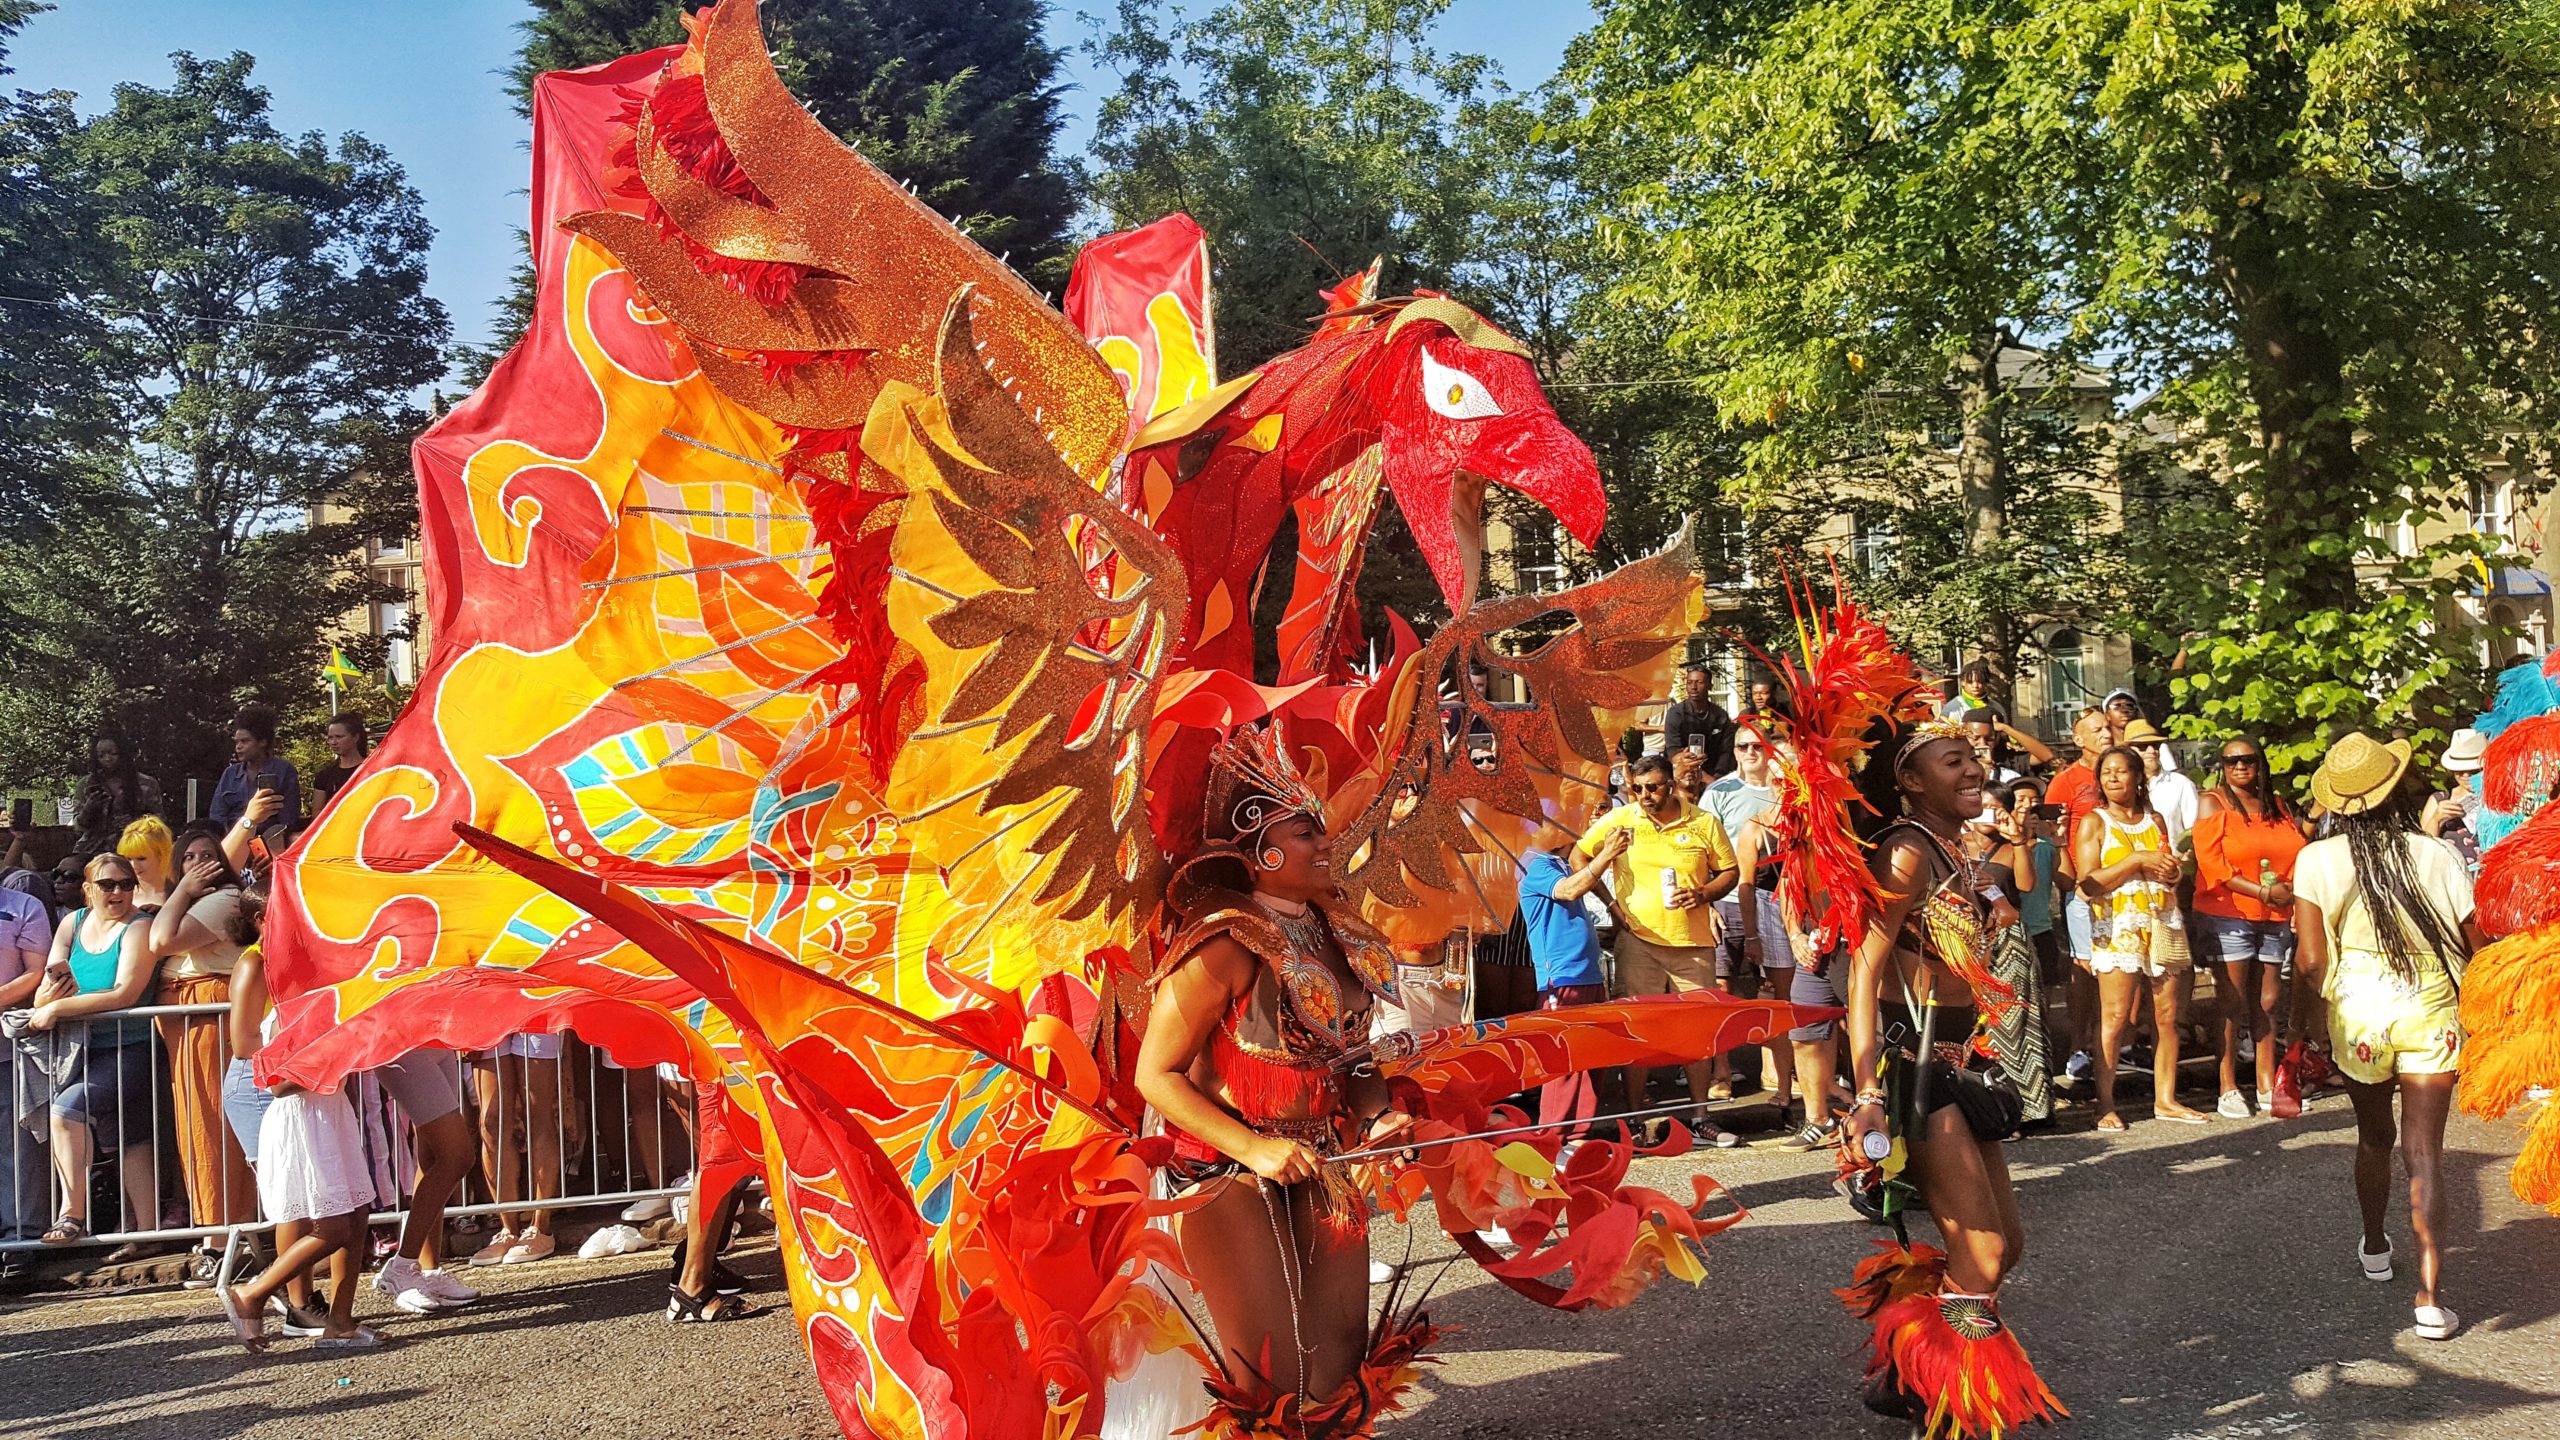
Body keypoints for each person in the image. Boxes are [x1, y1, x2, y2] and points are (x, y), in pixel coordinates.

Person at [1134, 729, 1411, 1434]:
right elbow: (1155, 1075)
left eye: (1323, 828)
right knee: (1270, 1380)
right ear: (1261, 850)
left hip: (1323, 1155)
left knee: (1342, 1368)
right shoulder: (1223, 941)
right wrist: (1253, 1150)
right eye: (1307, 830)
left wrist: (1378, 1114)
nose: (1327, 842)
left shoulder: (1334, 930)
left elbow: (1353, 1055)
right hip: (1229, 1172)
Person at [1840, 718, 2062, 1434]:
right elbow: (1864, 972)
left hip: (1962, 1064)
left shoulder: (1952, 848)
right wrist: (1869, 1094)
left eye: (1976, 758)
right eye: (1953, 760)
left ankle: (1909, 1365)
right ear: (1909, 780)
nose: (1975, 769)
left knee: (2006, 1248)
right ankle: (1954, 1410)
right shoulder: (1904, 854)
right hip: (1914, 1070)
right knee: (1986, 1254)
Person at [2291, 733, 2479, 1342]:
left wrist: (2312, 1020)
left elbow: (2312, 960)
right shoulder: (2436, 855)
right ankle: (2430, 1300)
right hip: (2430, 1007)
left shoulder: (2317, 859)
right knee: (2424, 1151)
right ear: (2397, 789)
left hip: (2359, 1012)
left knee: (2374, 1138)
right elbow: (2477, 946)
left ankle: (2374, 1242)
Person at [217, 888, 385, 1351]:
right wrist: (325, 1057)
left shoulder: (310, 967)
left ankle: (341, 1321)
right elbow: (252, 1053)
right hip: (295, 1108)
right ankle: (256, 1294)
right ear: (260, 920)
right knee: (324, 1223)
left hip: (328, 1104)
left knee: (356, 1216)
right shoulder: (254, 966)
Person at [1580, 753, 1742, 1146]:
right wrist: (1614, 906)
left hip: (1693, 944)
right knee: (1637, 1029)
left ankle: (1701, 1117)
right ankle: (1636, 1119)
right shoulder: (1622, 818)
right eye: (1636, 788)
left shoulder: (1703, 821)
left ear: (1670, 784)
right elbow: (1579, 856)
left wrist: (1703, 894)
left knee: (1699, 1033)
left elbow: (1731, 871)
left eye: (1652, 787)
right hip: (1638, 942)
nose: (1644, 795)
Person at [146, 833, 262, 1285]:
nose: (198, 864)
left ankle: (226, 1239)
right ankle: (219, 1234)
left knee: (213, 1125)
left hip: (210, 1019)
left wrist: (182, 890)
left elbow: (162, 940)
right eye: (188, 857)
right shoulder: (197, 899)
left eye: (208, 856)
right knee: (196, 1127)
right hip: (186, 1021)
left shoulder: (225, 899)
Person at [27, 855, 160, 1250]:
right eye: (107, 884)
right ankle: (149, 1232)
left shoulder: (140, 927)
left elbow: (126, 993)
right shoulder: (73, 922)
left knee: (67, 1110)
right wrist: (48, 1000)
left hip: (131, 1045)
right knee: (131, 1137)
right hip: (82, 1047)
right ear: (88, 889)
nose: (117, 892)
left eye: (126, 883)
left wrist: (57, 1008)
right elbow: (45, 987)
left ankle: (72, 1214)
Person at [2078, 746, 2205, 1129]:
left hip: (2161, 922)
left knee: (2167, 1016)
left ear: (2138, 777)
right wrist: (2135, 860)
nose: (2113, 778)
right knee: (2115, 1018)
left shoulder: (2157, 819)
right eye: (2106, 773)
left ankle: (2166, 1099)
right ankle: (2104, 1103)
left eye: (2121, 772)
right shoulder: (2095, 822)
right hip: (2119, 928)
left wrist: (2171, 871)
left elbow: (2168, 870)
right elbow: (2088, 882)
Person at [2192, 736, 2308, 1119]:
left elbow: (2299, 848)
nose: (2240, 767)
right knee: (2231, 999)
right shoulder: (2214, 802)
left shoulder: (2277, 805)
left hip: (2275, 912)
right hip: (2230, 911)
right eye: (2231, 761)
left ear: (2260, 763)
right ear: (2221, 766)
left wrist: (2286, 892)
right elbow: (2212, 864)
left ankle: (2264, 1080)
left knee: (2269, 1000)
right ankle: (2226, 1085)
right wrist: (2261, 890)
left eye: (2248, 760)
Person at [1708, 719, 1797, 1115]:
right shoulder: (1720, 791)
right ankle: (1722, 1073)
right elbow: (1701, 847)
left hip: (1781, 901)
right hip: (1729, 898)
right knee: (1724, 988)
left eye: (1756, 746)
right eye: (1742, 746)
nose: (1748, 753)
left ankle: (1775, 1074)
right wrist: (1708, 901)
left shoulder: (1795, 796)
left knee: (1777, 993)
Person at [1518, 816, 1619, 1145]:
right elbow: (1570, 890)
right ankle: (1551, 1140)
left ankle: (1577, 1137)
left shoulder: (1558, 861)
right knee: (1564, 1062)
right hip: (1560, 979)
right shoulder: (1533, 862)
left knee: (1592, 1057)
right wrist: (1606, 855)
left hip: (1585, 972)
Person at [2044, 709, 2112, 1081]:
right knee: (2084, 969)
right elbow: (2053, 830)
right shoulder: (2066, 782)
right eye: (2097, 730)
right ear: (2078, 739)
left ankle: (2120, 1043)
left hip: (2124, 889)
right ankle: (2078, 1048)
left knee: (2121, 969)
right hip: (2083, 890)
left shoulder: (2123, 772)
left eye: (2108, 728)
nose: (2106, 734)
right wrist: (2066, 881)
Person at [469, 1033, 566, 1264]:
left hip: (535, 1004)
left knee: (538, 1112)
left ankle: (540, 1228)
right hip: (486, 1008)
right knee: (491, 1121)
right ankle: (508, 1229)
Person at [0, 860, 50, 1245]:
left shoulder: (23, 907)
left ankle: (21, 1234)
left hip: (6, 1046)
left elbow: (35, 973)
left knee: (13, 1143)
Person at [209, 704, 302, 832]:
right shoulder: (230, 774)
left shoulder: (284, 770)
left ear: (262, 742)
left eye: (245, 741)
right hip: (232, 837)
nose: (238, 747)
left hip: (270, 839)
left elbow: (289, 817)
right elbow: (217, 815)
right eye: (236, 742)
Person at [70, 735, 161, 858]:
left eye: (112, 754)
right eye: (101, 755)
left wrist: (136, 824)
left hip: (134, 849)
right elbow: (77, 828)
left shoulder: (146, 784)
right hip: (92, 851)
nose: (107, 759)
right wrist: (88, 809)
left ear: (123, 754)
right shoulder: (86, 785)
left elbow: (159, 821)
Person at [2124, 719, 2198, 848]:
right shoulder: (2120, 787)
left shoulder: (2180, 784)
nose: (2151, 751)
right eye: (2142, 747)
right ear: (2127, 751)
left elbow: (2194, 831)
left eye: (2156, 745)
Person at [2422, 727, 2487, 874]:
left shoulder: (2504, 797)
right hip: (2453, 878)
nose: (2466, 775)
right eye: (2460, 770)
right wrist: (2436, 819)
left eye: (2474, 771)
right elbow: (2423, 848)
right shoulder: (2439, 799)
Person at [1660, 666, 1734, 778]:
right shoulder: (1676, 713)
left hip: (1713, 773)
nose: (1693, 687)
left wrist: (1717, 777)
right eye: (1689, 682)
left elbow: (1726, 751)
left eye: (1699, 682)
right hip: (1682, 772)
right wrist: (1684, 759)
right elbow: (1672, 750)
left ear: (1710, 686)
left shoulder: (1720, 715)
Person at [1963, 708, 2053, 785]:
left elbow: (2047, 755)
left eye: (1989, 739)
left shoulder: (2010, 759)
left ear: (1998, 737)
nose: (1982, 744)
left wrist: (2006, 728)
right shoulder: (1959, 760)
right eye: (1975, 738)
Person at [309, 711, 371, 817]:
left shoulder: (372, 770)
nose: (334, 742)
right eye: (330, 738)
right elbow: (317, 814)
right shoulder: (324, 776)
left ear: (355, 737)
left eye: (339, 737)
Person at [117, 815, 174, 910]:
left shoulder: (180, 892)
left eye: (141, 858)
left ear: (161, 855)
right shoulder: (118, 892)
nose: (133, 865)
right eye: (128, 859)